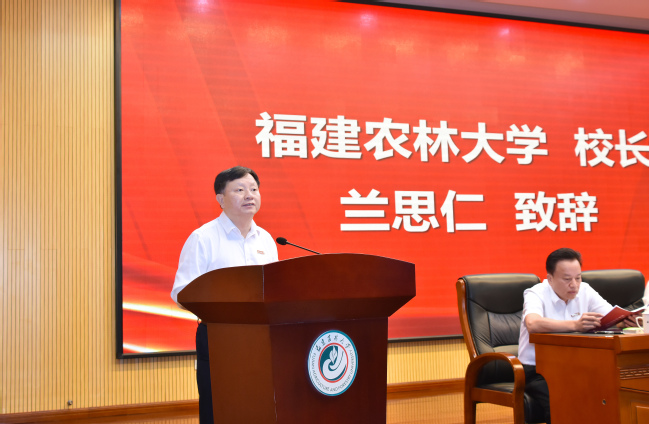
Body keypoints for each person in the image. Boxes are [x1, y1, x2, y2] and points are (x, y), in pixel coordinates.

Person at [170, 166, 278, 424]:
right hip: (219, 336)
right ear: (220, 199)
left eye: (254, 189)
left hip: (262, 337)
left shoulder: (266, 239)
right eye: (239, 190)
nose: (249, 195)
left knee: (259, 404)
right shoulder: (203, 238)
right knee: (219, 406)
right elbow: (181, 293)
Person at [518, 247, 637, 423]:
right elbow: (533, 324)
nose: (574, 285)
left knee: (605, 394)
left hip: (575, 367)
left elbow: (610, 316)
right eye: (567, 279)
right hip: (537, 370)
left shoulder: (585, 290)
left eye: (578, 278)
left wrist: (624, 320)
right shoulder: (536, 293)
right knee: (563, 403)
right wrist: (575, 325)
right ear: (550, 279)